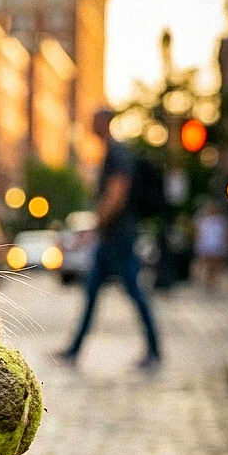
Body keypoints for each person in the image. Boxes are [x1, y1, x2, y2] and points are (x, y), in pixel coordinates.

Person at [58, 107, 162, 370]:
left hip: (119, 238)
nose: (90, 124)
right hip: (110, 239)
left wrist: (95, 226)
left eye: (93, 119)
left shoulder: (117, 153)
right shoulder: (111, 152)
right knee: (92, 292)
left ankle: (154, 350)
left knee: (134, 292)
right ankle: (73, 350)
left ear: (104, 122)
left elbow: (116, 195)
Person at [193, 199, 228, 291]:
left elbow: (227, 234)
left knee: (216, 265)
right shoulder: (202, 220)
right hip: (206, 245)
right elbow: (198, 234)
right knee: (207, 264)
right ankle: (207, 282)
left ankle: (212, 282)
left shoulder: (222, 220)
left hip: (218, 245)